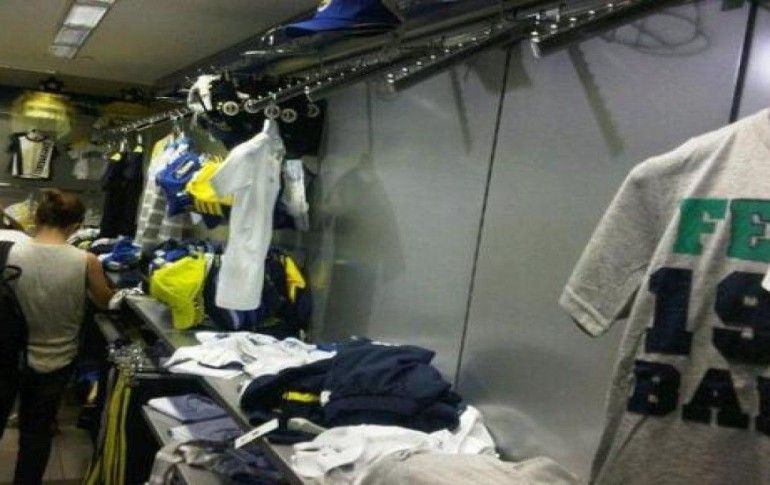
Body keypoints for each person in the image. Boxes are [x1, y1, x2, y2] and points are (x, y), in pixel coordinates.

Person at [0, 190, 115, 485]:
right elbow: (105, 302)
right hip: (58, 359)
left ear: (37, 219)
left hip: (8, 354)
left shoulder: (8, 252)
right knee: (36, 434)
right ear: (76, 226)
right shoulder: (86, 261)